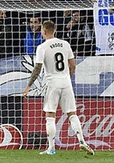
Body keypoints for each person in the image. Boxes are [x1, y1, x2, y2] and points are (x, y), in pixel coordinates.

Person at [22, 20, 94, 156]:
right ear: (54, 31)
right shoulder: (65, 44)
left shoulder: (42, 47)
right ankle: (82, 141)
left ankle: (51, 148)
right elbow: (72, 65)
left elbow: (37, 68)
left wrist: (28, 86)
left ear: (43, 31)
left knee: (50, 115)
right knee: (72, 113)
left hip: (52, 83)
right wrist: (68, 77)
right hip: (66, 82)